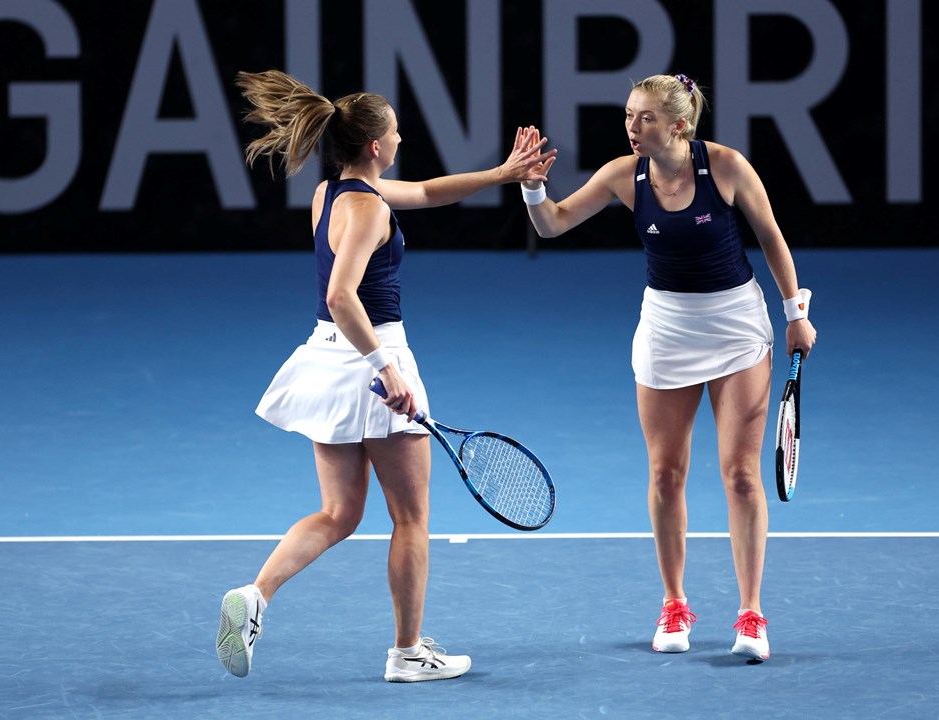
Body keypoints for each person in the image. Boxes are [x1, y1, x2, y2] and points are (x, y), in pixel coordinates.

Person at [215, 69, 555, 682]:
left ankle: (256, 596)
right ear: (375, 146)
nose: (401, 138)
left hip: (323, 359)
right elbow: (345, 296)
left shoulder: (330, 196)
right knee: (411, 519)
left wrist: (504, 176)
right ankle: (407, 653)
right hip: (374, 358)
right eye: (395, 131)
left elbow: (425, 193)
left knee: (339, 513)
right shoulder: (370, 211)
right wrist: (386, 368)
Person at [519, 74, 816, 661]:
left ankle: (751, 613)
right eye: (629, 116)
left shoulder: (727, 167)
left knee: (740, 474)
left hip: (735, 327)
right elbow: (551, 223)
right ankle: (674, 602)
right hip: (666, 330)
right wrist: (532, 188)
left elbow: (773, 238)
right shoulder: (621, 176)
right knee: (665, 475)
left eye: (646, 118)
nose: (633, 127)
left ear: (679, 124)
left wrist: (795, 313)